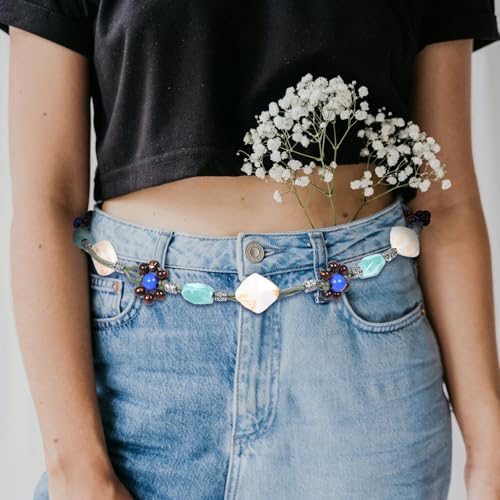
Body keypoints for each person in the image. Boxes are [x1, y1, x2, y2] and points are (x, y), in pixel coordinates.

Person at [1, 1, 500, 499]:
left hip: (362, 378)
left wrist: (490, 446)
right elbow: (49, 202)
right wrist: (75, 466)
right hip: (142, 376)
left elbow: (444, 202)